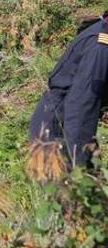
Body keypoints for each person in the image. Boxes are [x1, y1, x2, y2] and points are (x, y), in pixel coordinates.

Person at [29, 13, 108, 169]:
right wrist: (80, 164)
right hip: (59, 131)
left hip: (71, 126)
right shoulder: (100, 46)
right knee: (77, 187)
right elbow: (81, 106)